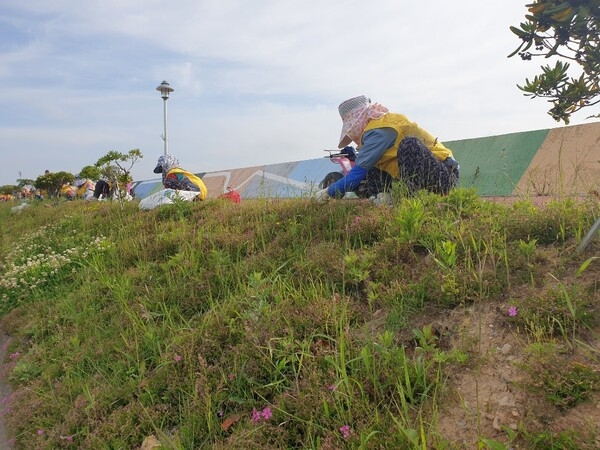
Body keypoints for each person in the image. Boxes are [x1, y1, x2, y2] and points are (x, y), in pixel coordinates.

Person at [313, 95, 460, 204]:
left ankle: (409, 200)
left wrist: (328, 192)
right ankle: (383, 197)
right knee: (374, 161)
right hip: (425, 176)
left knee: (409, 144)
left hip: (444, 176)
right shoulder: (374, 131)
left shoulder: (380, 129)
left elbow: (357, 174)